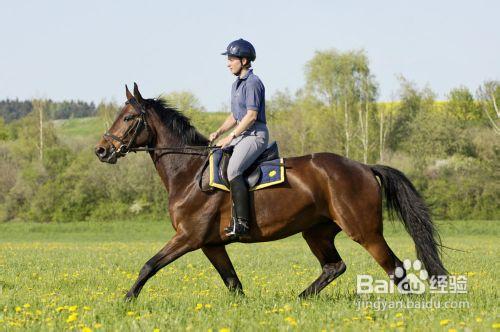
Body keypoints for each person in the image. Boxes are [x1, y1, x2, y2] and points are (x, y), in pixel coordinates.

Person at [209, 38, 269, 239]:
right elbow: (235, 116)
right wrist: (218, 132)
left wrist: (230, 137)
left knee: (233, 169)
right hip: (243, 134)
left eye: (231, 59)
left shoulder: (253, 83)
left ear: (244, 60)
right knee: (216, 156)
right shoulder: (236, 85)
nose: (228, 63)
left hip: (255, 135)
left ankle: (242, 223)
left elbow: (251, 116)